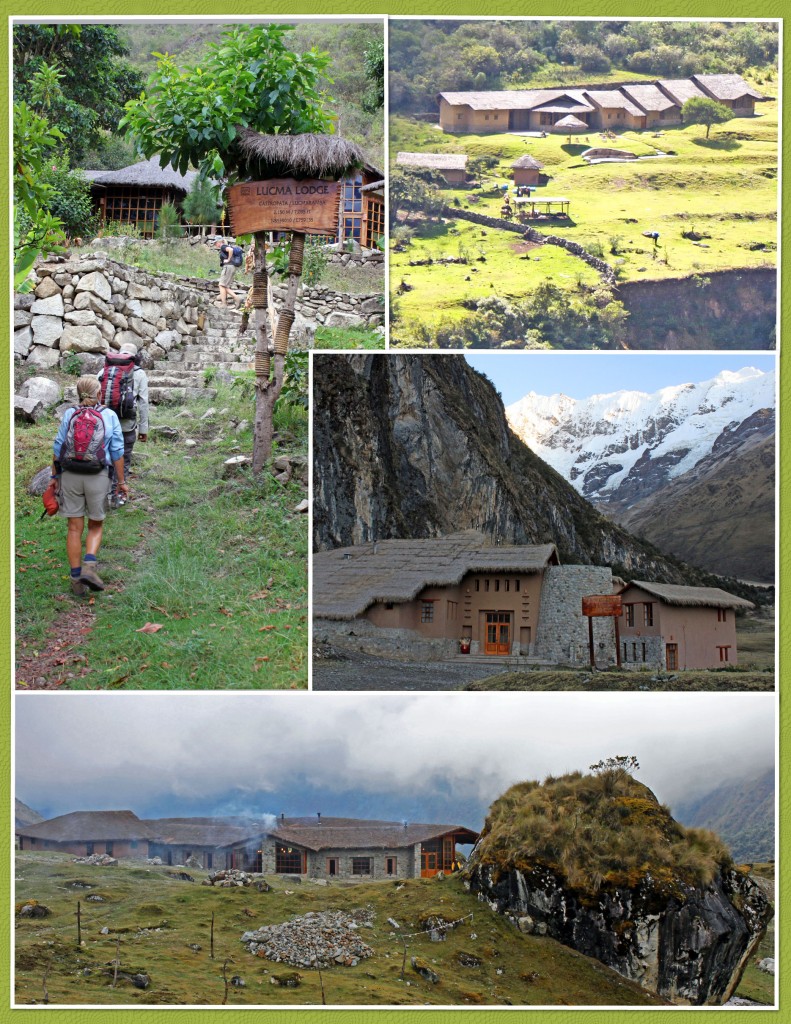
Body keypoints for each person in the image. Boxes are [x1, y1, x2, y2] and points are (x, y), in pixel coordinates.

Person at [52, 376, 127, 595]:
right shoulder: (109, 415)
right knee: (95, 524)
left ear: (78, 394)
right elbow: (117, 452)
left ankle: (76, 579)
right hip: (97, 475)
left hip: (70, 475)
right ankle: (90, 566)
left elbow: (58, 448)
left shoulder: (69, 414)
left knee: (74, 528)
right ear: (99, 394)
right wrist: (121, 482)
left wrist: (55, 478)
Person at [98, 341, 149, 507]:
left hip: (104, 424)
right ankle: (118, 496)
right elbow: (143, 402)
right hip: (126, 425)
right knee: (124, 459)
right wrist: (143, 429)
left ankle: (102, 495)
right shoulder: (139, 374)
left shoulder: (104, 370)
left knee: (104, 459)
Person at [216, 238, 241, 307]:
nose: (215, 244)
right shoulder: (225, 247)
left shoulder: (223, 246)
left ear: (220, 242)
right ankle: (231, 300)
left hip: (228, 267)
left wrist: (228, 259)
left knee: (221, 285)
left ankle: (225, 303)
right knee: (224, 286)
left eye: (216, 243)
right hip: (231, 267)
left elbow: (231, 250)